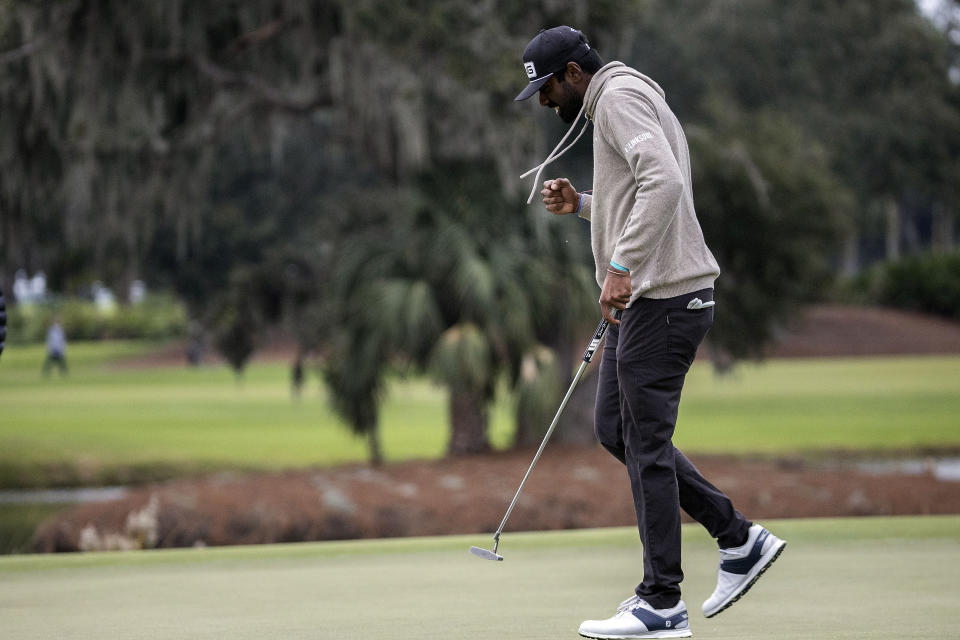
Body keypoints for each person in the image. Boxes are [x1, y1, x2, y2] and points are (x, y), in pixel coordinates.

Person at [514, 26, 785, 639]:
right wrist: (583, 204)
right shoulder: (618, 96)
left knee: (647, 445)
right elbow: (637, 192)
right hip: (652, 302)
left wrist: (620, 265)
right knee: (616, 430)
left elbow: (664, 181)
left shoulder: (616, 99)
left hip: (665, 301)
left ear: (572, 75)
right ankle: (738, 539)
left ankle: (662, 601)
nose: (544, 103)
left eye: (546, 88)